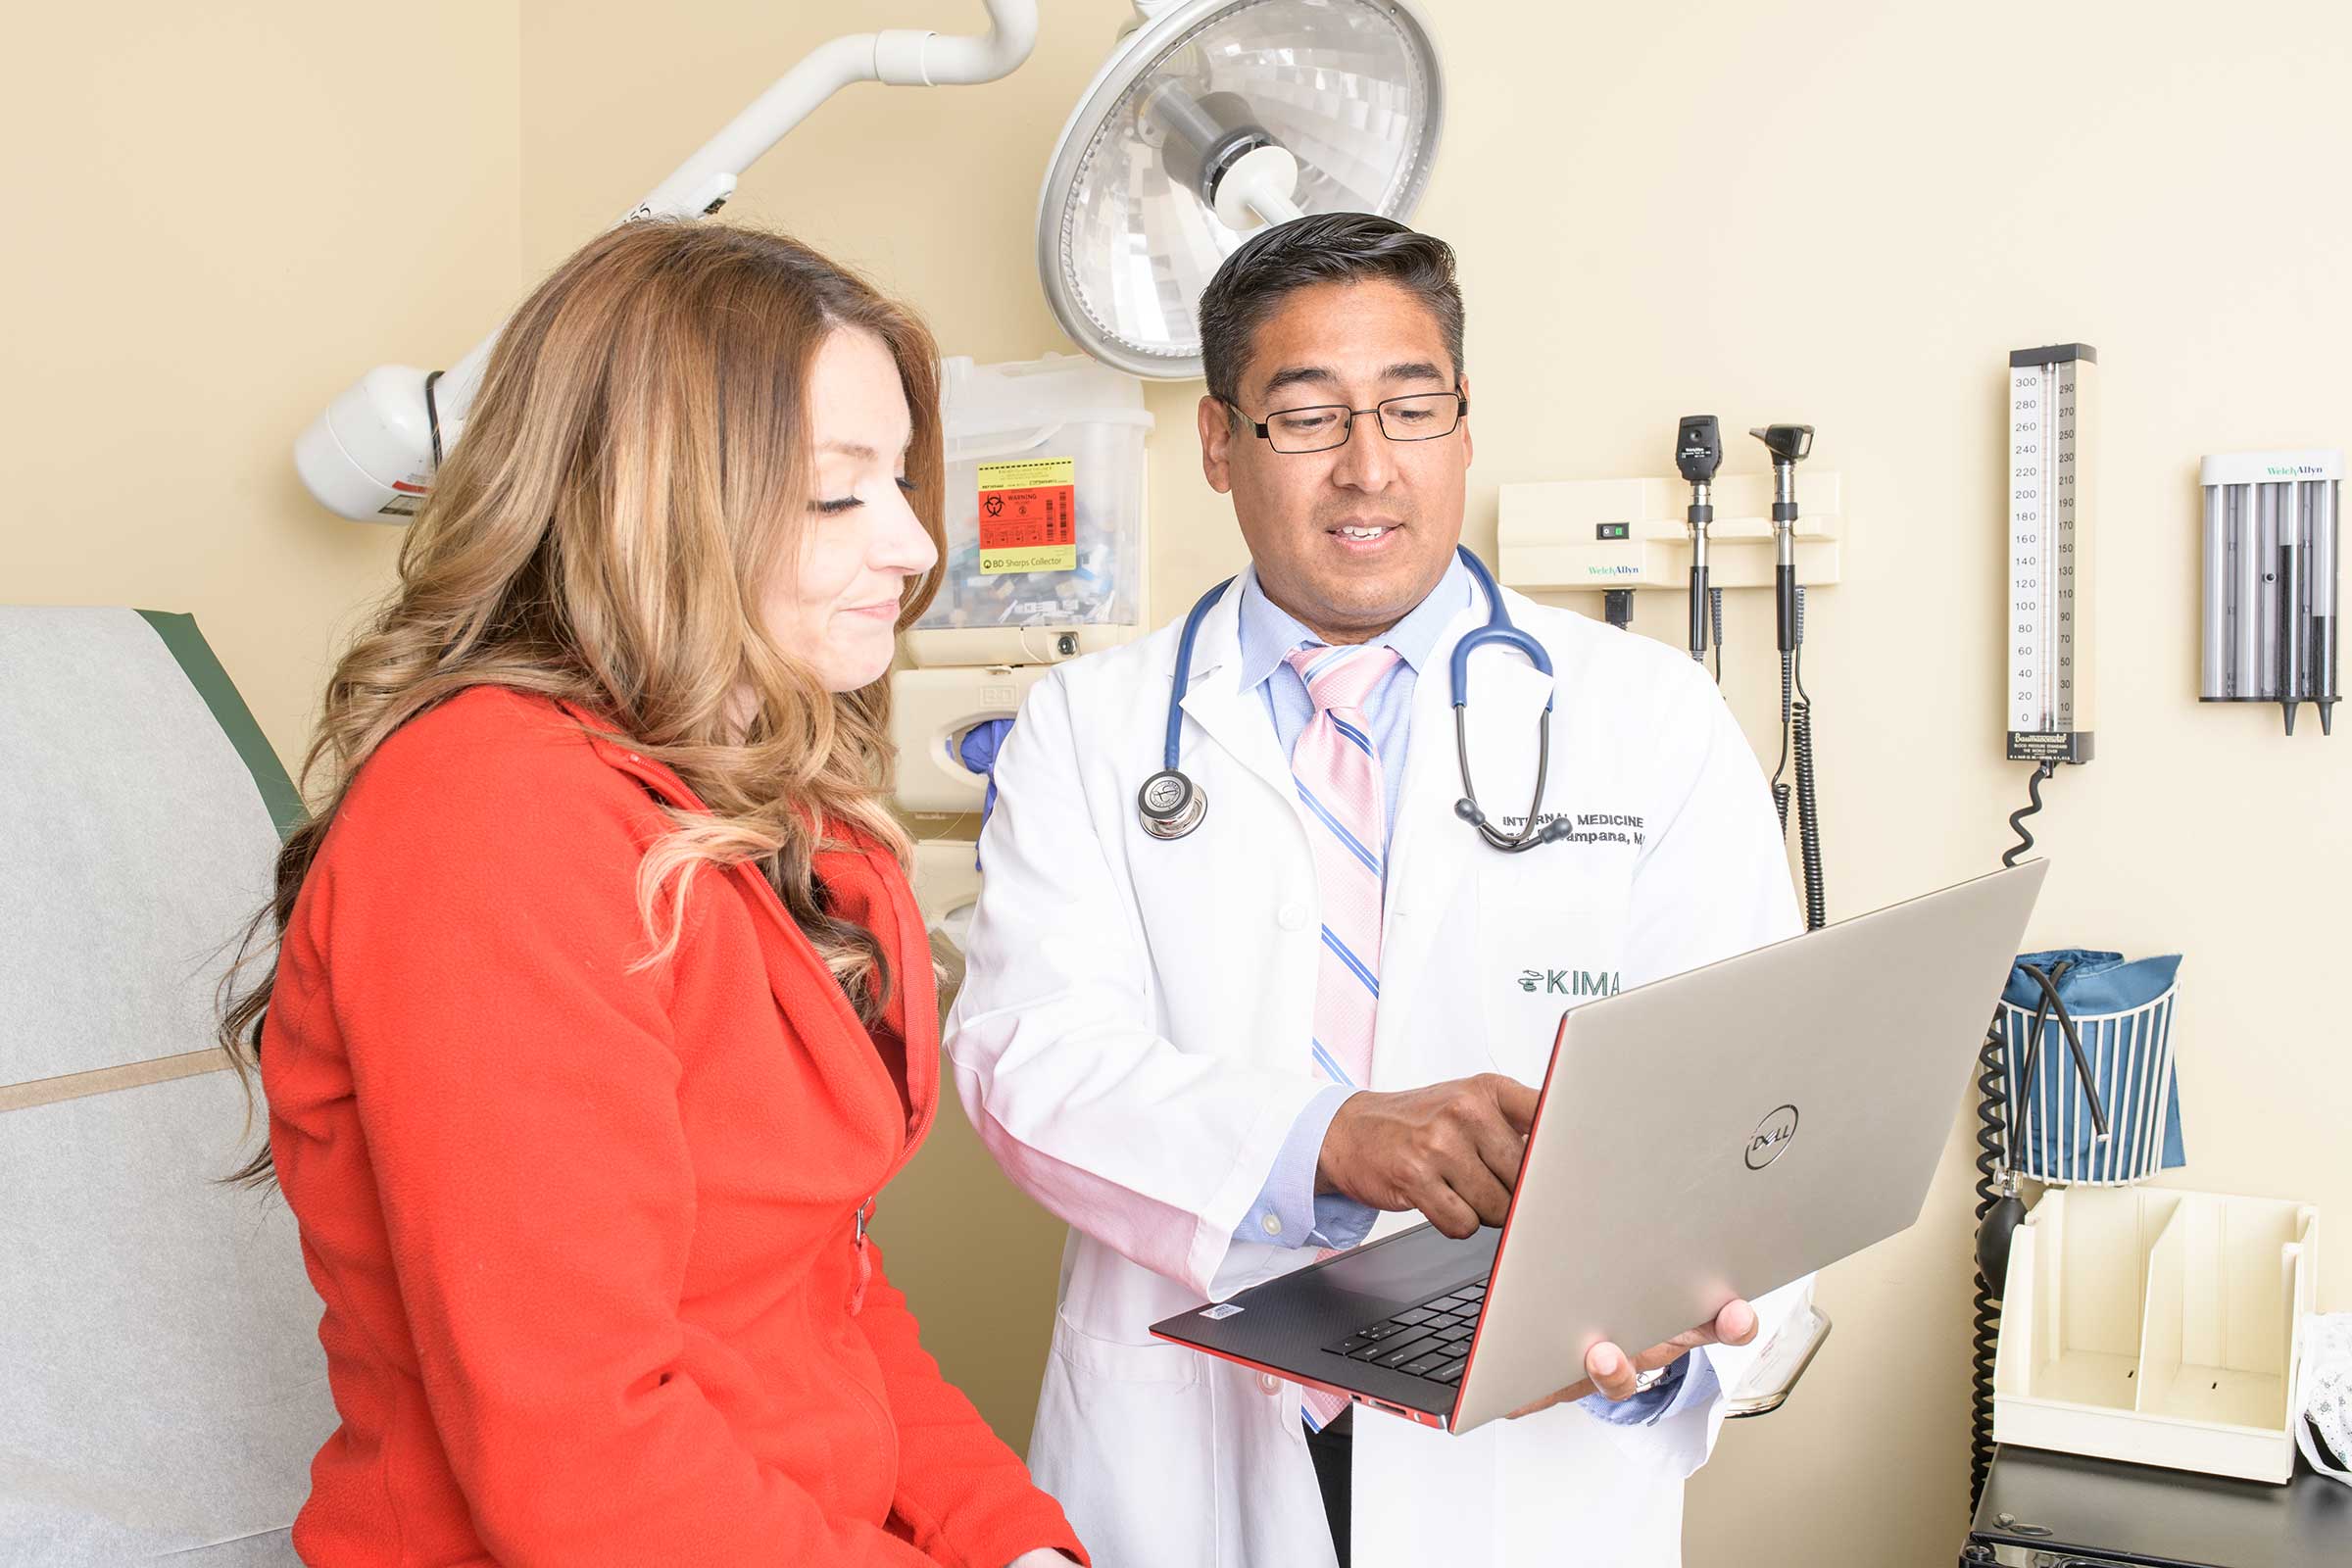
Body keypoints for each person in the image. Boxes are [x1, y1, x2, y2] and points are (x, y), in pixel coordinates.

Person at [944, 213, 1812, 1568]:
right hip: (1183, 1448)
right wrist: (1322, 1141)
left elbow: (1761, 1091)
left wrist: (1684, 1338)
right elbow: (1025, 1061)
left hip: (1533, 1454)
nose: (1369, 467)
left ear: (1464, 427)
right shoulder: (1089, 728)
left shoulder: (1651, 718)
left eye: (1412, 407)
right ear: (1220, 444)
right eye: (1307, 417)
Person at [220, 221, 1085, 1568]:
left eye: (905, 483)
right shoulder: (490, 815)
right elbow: (582, 1465)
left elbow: (825, 1296)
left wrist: (1010, 1542)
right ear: (656, 499)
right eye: (838, 494)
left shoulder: (767, 809)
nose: (916, 546)